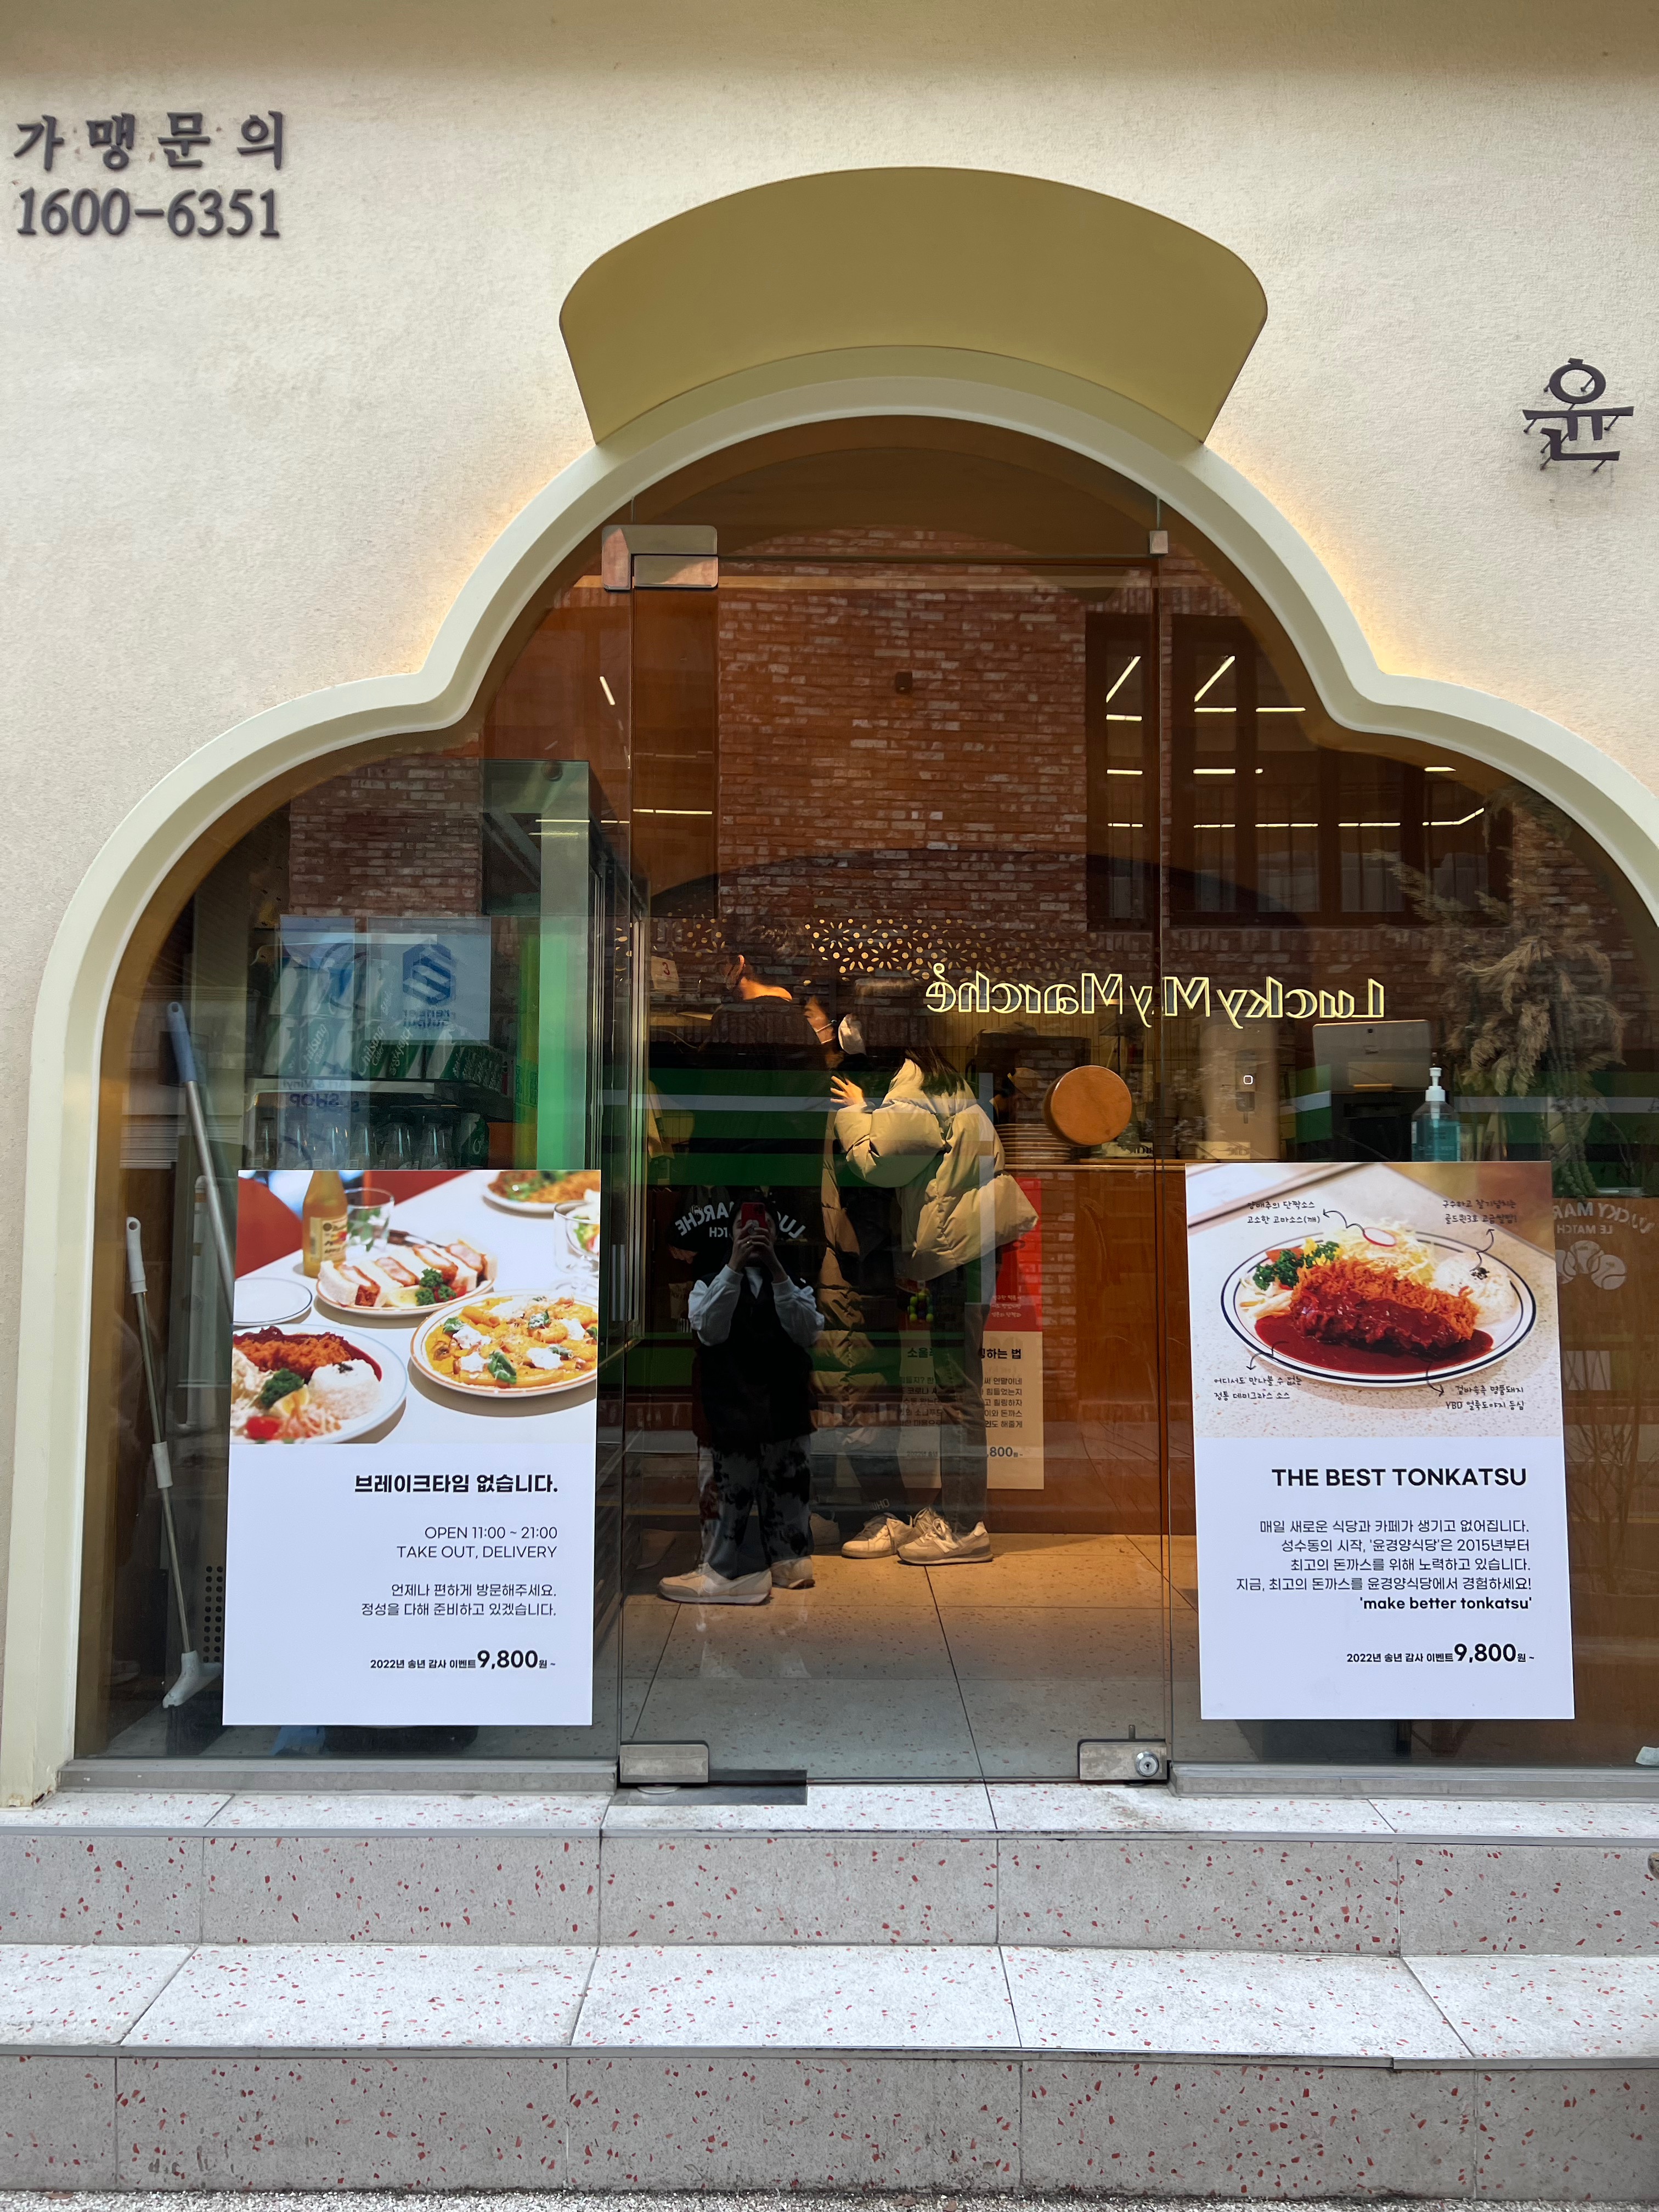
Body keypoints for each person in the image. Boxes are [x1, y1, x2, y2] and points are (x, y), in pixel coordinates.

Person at [829, 1044, 1035, 1566]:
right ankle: (954, 1516)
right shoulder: (945, 1085)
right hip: (968, 1245)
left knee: (956, 1392)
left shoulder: (912, 1092)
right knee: (957, 1388)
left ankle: (964, 1528)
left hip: (956, 1253)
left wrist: (855, 1111)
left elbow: (876, 1164)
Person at [659, 1197, 825, 1605]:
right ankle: (719, 1568)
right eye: (744, 1227)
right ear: (730, 1234)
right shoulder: (708, 1281)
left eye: (763, 1227)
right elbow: (710, 1331)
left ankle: (790, 1561)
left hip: (784, 1409)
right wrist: (733, 1265)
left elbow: (807, 1332)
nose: (753, 1233)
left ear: (777, 1235)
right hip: (729, 1409)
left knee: (788, 1489)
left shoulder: (794, 1281)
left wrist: (777, 1270)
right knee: (726, 1493)